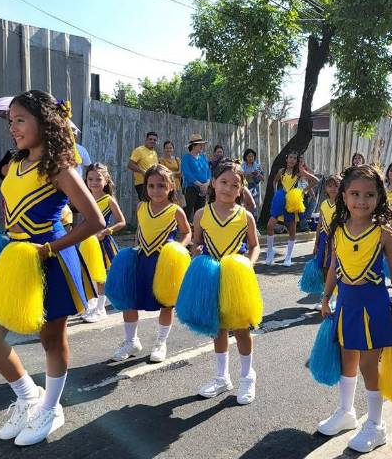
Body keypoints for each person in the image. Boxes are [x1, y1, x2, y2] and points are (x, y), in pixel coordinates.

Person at [0, 90, 105, 446]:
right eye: (11, 121)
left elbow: (94, 220)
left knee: (51, 338)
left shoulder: (60, 168)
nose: (13, 128)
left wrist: (50, 248)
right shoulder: (15, 163)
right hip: (13, 257)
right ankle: (27, 395)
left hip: (50, 258)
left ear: (45, 123)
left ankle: (51, 408)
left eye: (20, 120)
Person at [317, 164, 392, 453]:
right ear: (343, 196)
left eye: (369, 195)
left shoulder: (382, 231)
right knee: (348, 359)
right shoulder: (339, 230)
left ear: (380, 198)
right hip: (346, 304)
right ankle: (346, 412)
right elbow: (334, 266)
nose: (361, 200)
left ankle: (377, 425)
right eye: (355, 193)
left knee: (370, 364)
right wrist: (325, 297)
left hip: (373, 305)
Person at [188, 160, 261, 404]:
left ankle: (247, 376)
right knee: (217, 327)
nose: (228, 188)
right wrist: (195, 251)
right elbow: (197, 243)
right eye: (223, 182)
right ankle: (222, 378)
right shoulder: (201, 214)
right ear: (213, 183)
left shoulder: (245, 216)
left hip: (236, 279)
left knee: (240, 329)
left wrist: (248, 264)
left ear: (241, 190)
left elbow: (254, 246)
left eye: (234, 185)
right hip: (211, 278)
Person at [110, 164, 191, 363]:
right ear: (146, 187)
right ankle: (131, 341)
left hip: (164, 262)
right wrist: (135, 250)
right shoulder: (141, 207)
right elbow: (140, 231)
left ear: (171, 186)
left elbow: (187, 232)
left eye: (161, 186)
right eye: (151, 186)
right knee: (130, 299)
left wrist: (178, 249)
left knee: (166, 303)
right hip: (140, 260)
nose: (156, 190)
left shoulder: (175, 210)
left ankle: (161, 342)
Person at [81, 163, 126, 323]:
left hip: (102, 242)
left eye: (98, 179)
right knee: (88, 273)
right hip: (87, 242)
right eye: (90, 179)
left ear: (106, 180)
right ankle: (93, 304)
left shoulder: (109, 200)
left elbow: (122, 222)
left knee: (101, 276)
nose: (94, 182)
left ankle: (101, 309)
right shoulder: (85, 197)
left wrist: (107, 231)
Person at [265, 151, 318, 266]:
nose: (292, 160)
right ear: (286, 158)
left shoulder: (299, 172)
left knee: (292, 229)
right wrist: (276, 193)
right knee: (270, 225)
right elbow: (274, 181)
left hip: (292, 201)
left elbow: (315, 180)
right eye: (291, 157)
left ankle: (288, 257)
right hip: (280, 199)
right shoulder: (281, 171)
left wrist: (304, 191)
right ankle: (270, 251)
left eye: (295, 158)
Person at [311, 174, 341, 310]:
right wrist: (316, 243)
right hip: (324, 238)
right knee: (324, 267)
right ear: (325, 188)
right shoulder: (323, 203)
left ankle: (334, 297)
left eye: (336, 185)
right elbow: (319, 224)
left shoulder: (343, 204)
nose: (333, 188)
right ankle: (326, 294)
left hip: (336, 238)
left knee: (334, 267)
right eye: (330, 185)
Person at [181, 134, 210, 220]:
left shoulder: (203, 157)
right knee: (188, 211)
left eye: (202, 144)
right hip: (190, 188)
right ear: (193, 146)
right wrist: (200, 185)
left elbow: (208, 171)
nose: (202, 146)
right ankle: (185, 231)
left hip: (204, 188)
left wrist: (207, 184)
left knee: (200, 212)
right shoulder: (186, 158)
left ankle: (198, 231)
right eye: (200, 145)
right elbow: (187, 173)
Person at [128, 132, 159, 199]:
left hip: (152, 183)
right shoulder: (139, 150)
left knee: (151, 204)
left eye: (154, 140)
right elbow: (130, 164)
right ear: (146, 140)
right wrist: (142, 171)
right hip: (142, 183)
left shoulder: (154, 152)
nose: (152, 141)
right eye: (150, 139)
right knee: (145, 204)